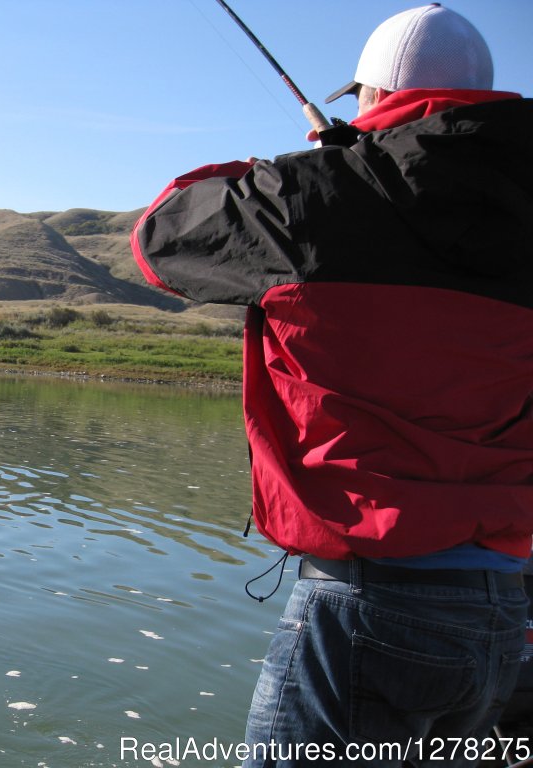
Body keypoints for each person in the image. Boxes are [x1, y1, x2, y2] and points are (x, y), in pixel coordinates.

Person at [130, 4, 533, 766]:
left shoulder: (309, 200)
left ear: (374, 99)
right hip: (502, 613)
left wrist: (322, 164)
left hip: (369, 603)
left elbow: (161, 237)